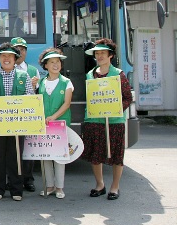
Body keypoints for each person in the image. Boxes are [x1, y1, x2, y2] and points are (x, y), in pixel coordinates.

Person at [0, 42, 35, 201]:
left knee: (16, 155)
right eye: (3, 56)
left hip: (18, 124)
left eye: (10, 56)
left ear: (15, 58)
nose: (6, 59)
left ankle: (16, 189)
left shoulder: (23, 76)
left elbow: (30, 96)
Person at [81, 38, 133, 201]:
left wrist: (115, 110)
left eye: (103, 53)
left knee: (117, 155)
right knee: (96, 154)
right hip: (94, 120)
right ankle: (100, 184)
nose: (100, 56)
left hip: (115, 121)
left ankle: (115, 186)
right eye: (97, 53)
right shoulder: (90, 74)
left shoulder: (118, 74)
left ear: (110, 55)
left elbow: (127, 98)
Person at [37, 47, 73, 199]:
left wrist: (53, 116)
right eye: (52, 62)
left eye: (57, 62)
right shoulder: (41, 82)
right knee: (45, 155)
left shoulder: (66, 82)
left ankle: (59, 187)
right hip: (44, 124)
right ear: (45, 65)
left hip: (61, 124)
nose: (55, 65)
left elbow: (67, 104)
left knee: (60, 156)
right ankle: (49, 186)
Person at [11, 37, 41, 193]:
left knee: (28, 148)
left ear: (26, 51)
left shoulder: (33, 70)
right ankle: (14, 178)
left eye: (22, 49)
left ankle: (28, 179)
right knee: (12, 149)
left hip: (27, 114)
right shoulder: (6, 67)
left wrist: (35, 87)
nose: (20, 52)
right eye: (16, 49)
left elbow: (38, 93)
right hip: (10, 115)